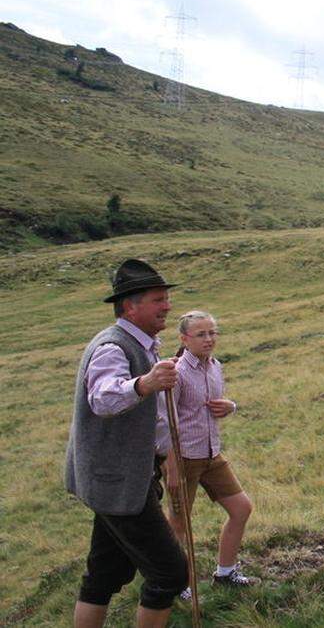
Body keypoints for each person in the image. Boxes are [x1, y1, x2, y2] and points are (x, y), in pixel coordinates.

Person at [65, 259, 189, 628]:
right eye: (158, 299)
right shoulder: (112, 347)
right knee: (170, 573)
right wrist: (144, 384)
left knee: (104, 573)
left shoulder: (144, 344)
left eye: (166, 298)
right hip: (118, 482)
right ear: (130, 305)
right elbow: (102, 398)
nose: (167, 305)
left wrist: (167, 459)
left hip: (123, 478)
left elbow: (153, 418)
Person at [159, 310, 258, 593]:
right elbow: (164, 422)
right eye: (201, 334)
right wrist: (172, 468)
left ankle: (225, 573)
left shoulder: (215, 366)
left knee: (241, 508)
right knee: (179, 524)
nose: (209, 339)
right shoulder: (174, 373)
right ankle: (177, 584)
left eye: (212, 332)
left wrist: (231, 407)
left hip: (212, 455)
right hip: (183, 459)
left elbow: (216, 405)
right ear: (184, 338)